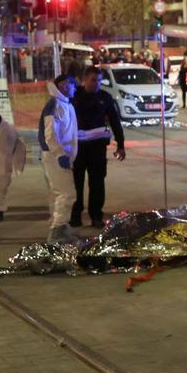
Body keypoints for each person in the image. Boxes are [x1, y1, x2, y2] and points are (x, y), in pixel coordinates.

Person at [71, 66, 126, 228]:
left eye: (99, 80)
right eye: (93, 80)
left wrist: (120, 145)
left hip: (97, 149)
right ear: (84, 80)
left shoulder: (105, 97)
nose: (96, 84)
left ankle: (96, 215)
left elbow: (115, 122)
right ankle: (75, 215)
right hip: (77, 149)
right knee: (76, 184)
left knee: (97, 183)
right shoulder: (74, 96)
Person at [39, 74, 79, 242]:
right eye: (72, 85)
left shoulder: (64, 104)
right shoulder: (54, 105)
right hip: (56, 157)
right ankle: (57, 230)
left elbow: (67, 131)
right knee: (67, 193)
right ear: (63, 86)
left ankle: (60, 227)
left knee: (59, 193)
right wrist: (60, 154)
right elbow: (50, 135)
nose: (75, 88)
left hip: (59, 156)